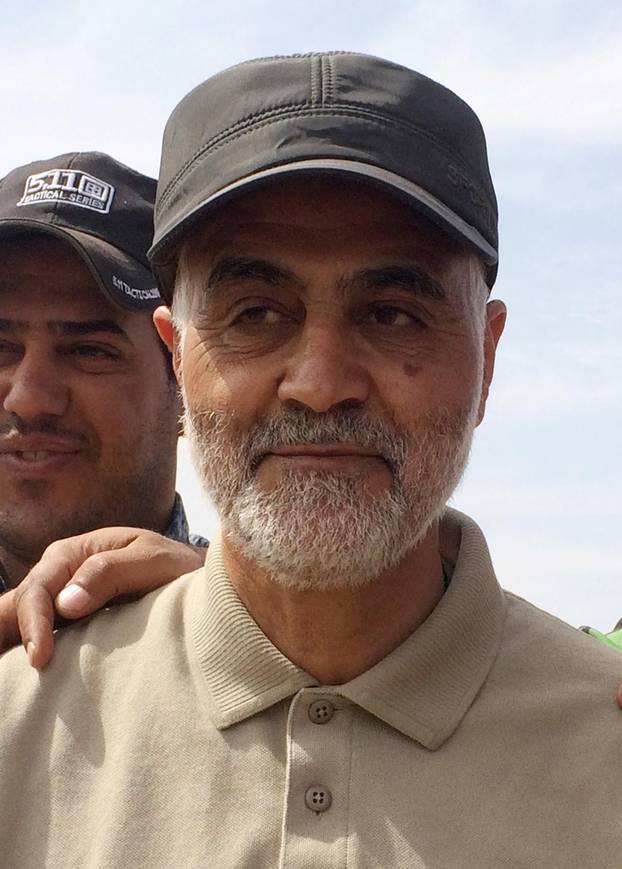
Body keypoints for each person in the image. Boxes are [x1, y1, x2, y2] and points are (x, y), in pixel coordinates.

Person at [1, 53, 621, 868]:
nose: (321, 384)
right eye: (256, 313)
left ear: (487, 358)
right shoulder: (21, 730)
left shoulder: (600, 743)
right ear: (178, 357)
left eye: (393, 313)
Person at [0, 152, 206, 662]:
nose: (29, 399)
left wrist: (232, 605)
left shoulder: (271, 642)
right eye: (0, 349)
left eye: (89, 351)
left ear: (186, 385)